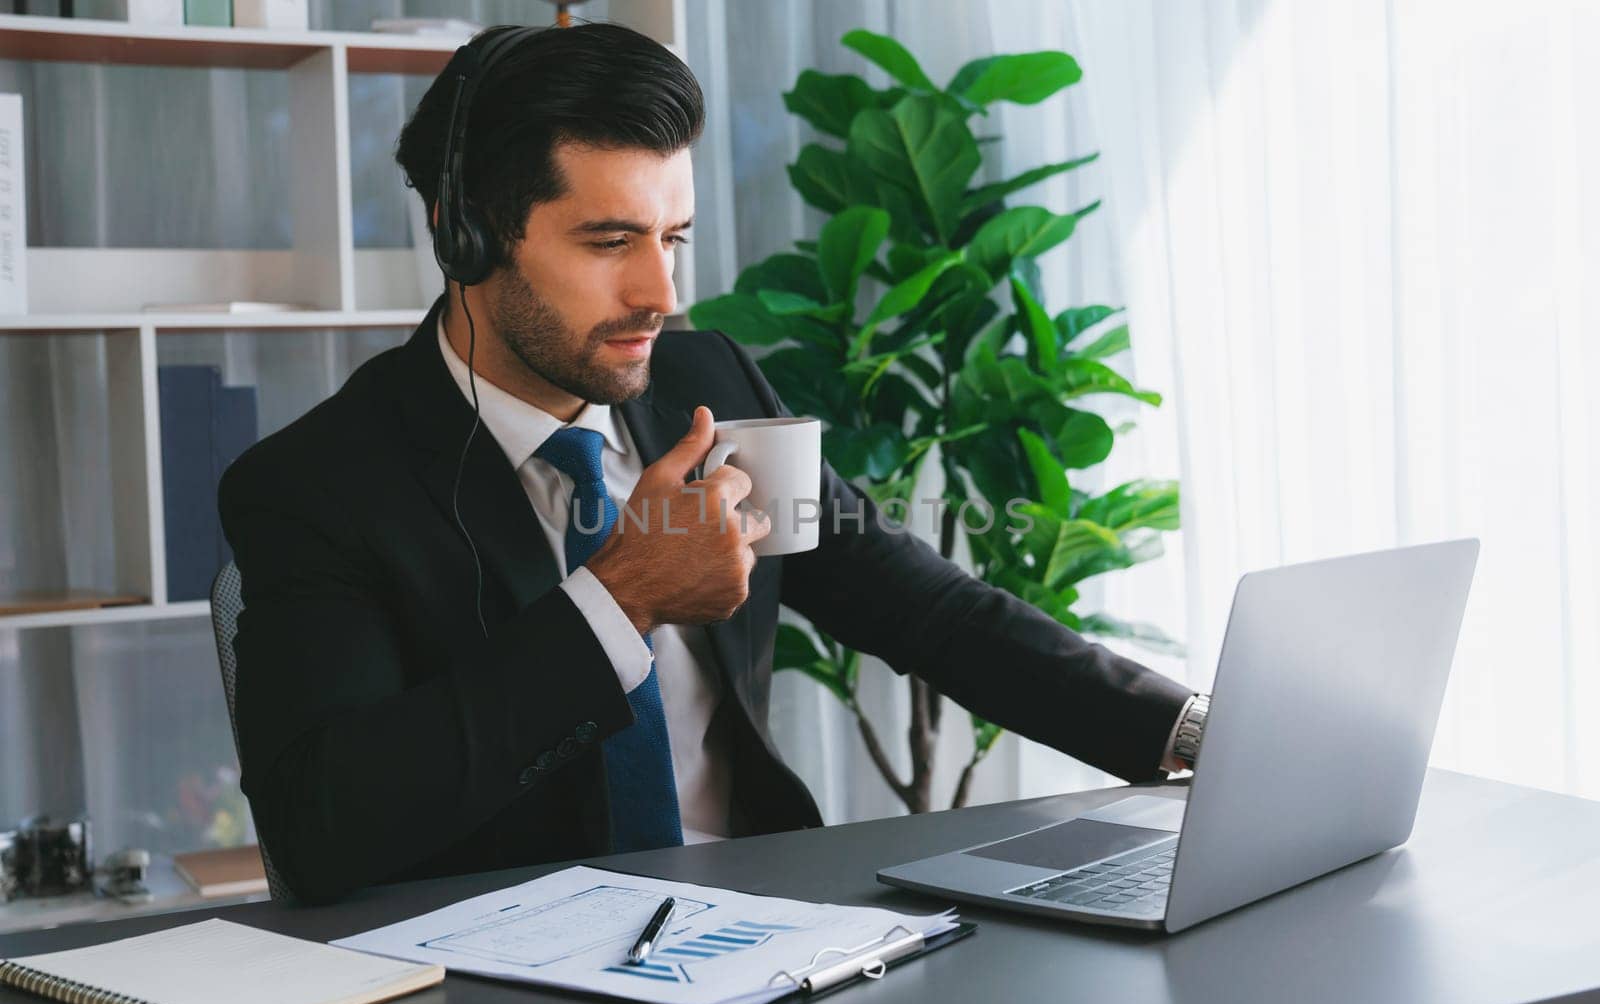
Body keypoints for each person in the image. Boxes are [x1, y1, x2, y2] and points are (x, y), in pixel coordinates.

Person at [218, 21, 1206, 905]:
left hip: (769, 925)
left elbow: (930, 614)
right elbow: (324, 831)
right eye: (609, 241)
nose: (660, 291)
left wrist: (1194, 735)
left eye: (673, 237)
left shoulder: (708, 383)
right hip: (502, 971)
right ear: (465, 233)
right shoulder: (316, 487)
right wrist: (622, 597)